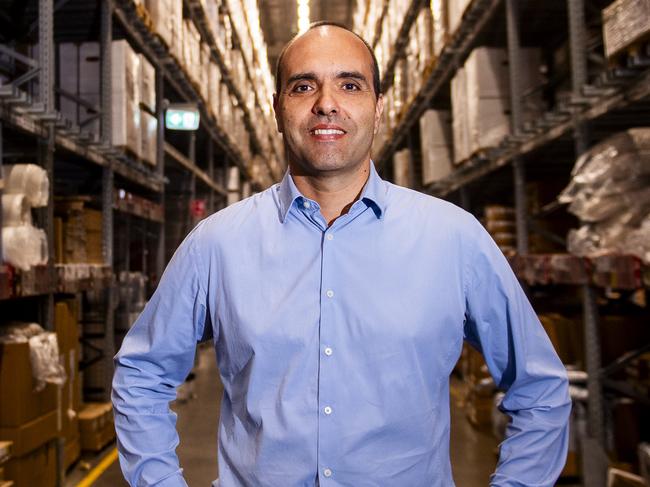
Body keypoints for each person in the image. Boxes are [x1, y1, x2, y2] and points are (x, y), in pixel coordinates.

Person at [112, 22, 571, 487]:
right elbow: (142, 373)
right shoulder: (216, 244)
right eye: (303, 86)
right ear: (277, 109)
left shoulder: (453, 239)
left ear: (378, 108)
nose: (326, 103)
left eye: (349, 84)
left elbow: (540, 388)